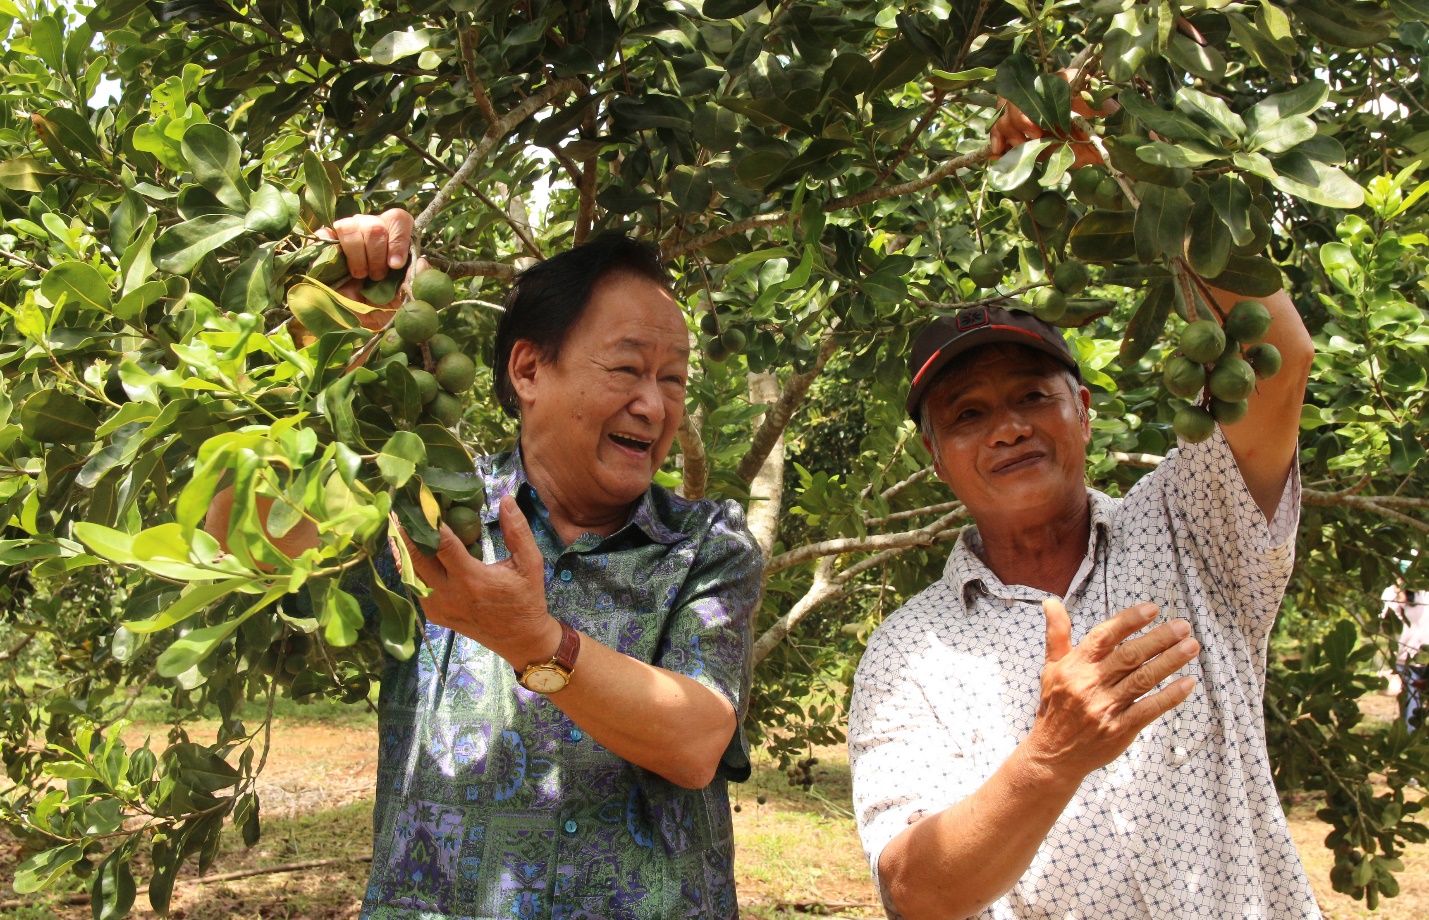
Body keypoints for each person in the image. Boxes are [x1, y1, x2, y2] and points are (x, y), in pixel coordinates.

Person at [205, 210, 762, 919]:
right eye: (626, 368)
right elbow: (242, 542)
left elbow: (696, 740)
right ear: (528, 370)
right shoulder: (426, 505)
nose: (653, 405)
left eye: (673, 379)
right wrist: (320, 347)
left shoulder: (708, 543)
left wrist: (533, 643)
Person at [847, 280, 1318, 910]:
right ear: (935, 456)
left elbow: (1277, 363)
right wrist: (1051, 757)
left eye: (1032, 396)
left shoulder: (1190, 522)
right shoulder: (906, 653)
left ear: (1084, 411)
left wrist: (1178, 217)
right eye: (968, 415)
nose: (1008, 429)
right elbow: (915, 893)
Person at [1382, 584, 1429, 728]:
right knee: (1411, 703)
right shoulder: (1391, 593)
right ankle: (1410, 737)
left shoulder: (1425, 592)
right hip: (1405, 661)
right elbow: (1384, 626)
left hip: (1426, 659)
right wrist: (1398, 597)